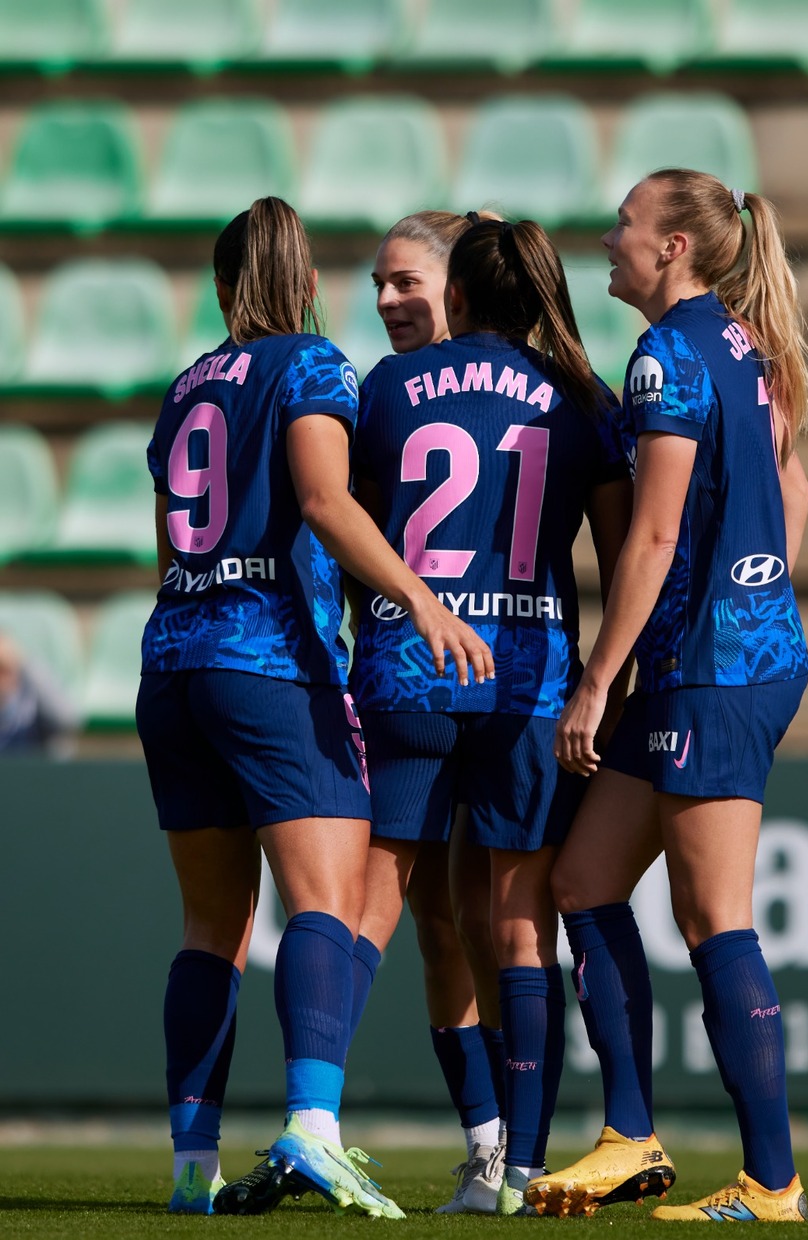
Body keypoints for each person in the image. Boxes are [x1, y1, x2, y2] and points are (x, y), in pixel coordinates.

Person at [135, 196, 492, 1218]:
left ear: (218, 288)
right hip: (271, 663)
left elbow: (169, 550)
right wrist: (418, 598)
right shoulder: (313, 365)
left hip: (171, 664)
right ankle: (314, 1127)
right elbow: (327, 503)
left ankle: (189, 1168)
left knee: (209, 922)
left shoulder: (182, 388)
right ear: (303, 284)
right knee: (323, 903)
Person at [524, 169, 808, 1224]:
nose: (609, 238)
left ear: (673, 249)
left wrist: (595, 683)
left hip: (707, 673)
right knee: (584, 880)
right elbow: (793, 491)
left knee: (713, 917)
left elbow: (648, 537)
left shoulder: (664, 357)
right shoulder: (745, 345)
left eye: (626, 224)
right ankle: (629, 1135)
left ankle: (771, 1182)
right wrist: (759, 597)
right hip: (728, 657)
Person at [350, 214, 631, 1216]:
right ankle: (517, 1165)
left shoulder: (384, 388)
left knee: (385, 912)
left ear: (455, 296)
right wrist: (606, 678)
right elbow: (615, 551)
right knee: (518, 929)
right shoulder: (582, 399)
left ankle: (316, 1116)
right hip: (530, 682)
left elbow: (365, 532)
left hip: (410, 670)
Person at [354, 210, 507, 1215]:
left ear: (458, 283)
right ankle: (492, 1146)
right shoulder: (385, 391)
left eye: (405, 280)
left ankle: (515, 1145)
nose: (384, 300)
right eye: (376, 283)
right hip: (451, 677)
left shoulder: (403, 389)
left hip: (466, 684)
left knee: (483, 922)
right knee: (443, 924)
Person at [0, 630, 78, 757]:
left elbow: (68, 719)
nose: (2, 679)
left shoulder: (31, 701)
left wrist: (26, 664)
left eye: (4, 670)